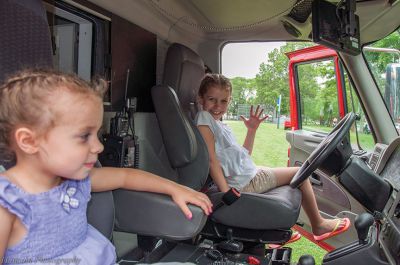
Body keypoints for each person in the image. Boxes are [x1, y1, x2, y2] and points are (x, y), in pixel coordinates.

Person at [0, 69, 213, 264]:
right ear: (29, 141)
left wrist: (175, 188)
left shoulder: (77, 180)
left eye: (97, 134)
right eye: (84, 136)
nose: (99, 146)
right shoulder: (7, 203)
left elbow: (125, 176)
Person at [195, 73, 350, 242]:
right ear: (200, 98)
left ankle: (271, 231)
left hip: (249, 174)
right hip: (246, 183)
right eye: (212, 99)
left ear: (229, 101)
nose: (217, 105)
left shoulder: (219, 125)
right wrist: (226, 193)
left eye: (224, 101)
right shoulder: (204, 118)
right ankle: (318, 224)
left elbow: (243, 156)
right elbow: (212, 160)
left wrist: (252, 130)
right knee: (300, 172)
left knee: (291, 172)